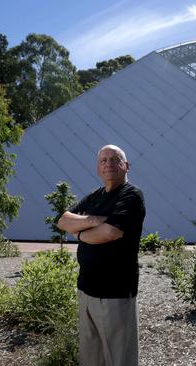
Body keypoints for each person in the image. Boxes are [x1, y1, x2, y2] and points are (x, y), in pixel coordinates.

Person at [57, 144, 146, 366]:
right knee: (91, 358)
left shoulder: (132, 195)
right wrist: (95, 220)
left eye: (114, 159)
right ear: (98, 167)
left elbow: (111, 232)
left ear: (126, 166)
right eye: (103, 160)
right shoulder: (95, 196)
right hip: (86, 290)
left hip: (115, 294)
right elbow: (63, 221)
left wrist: (79, 232)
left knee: (119, 359)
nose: (108, 164)